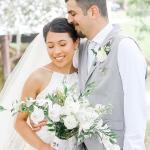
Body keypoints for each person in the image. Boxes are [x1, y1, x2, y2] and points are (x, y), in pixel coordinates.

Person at [63, 0, 147, 150]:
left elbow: (136, 110)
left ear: (93, 12)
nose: (69, 20)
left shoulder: (125, 47)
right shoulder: (81, 49)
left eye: (73, 13)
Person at [0, 18, 81, 150]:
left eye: (62, 44)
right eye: (50, 46)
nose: (56, 51)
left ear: (76, 42)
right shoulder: (37, 77)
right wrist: (44, 147)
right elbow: (20, 122)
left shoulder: (83, 75)